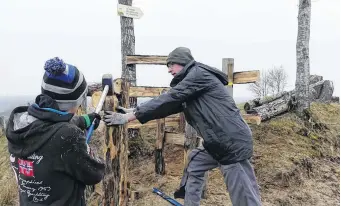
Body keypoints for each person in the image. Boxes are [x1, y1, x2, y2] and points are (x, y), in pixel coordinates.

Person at [104, 47, 262, 206]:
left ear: (182, 61)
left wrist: (127, 118)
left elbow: (170, 98)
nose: (169, 70)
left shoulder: (198, 75)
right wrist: (134, 111)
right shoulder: (191, 84)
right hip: (217, 143)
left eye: (171, 65)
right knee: (195, 162)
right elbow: (167, 107)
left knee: (245, 198)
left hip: (231, 144)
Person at [6, 57, 105, 206]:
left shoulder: (20, 125)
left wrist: (83, 121)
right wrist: (84, 145)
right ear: (73, 102)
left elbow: (48, 125)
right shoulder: (68, 136)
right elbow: (95, 173)